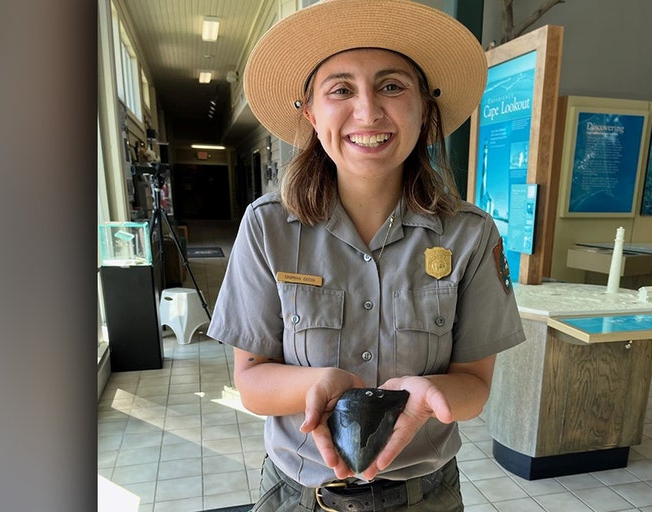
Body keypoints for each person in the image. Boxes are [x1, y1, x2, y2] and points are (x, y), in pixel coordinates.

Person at [207, 1, 526, 510]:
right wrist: (316, 383)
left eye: (392, 86)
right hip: (299, 494)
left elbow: (474, 385)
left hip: (426, 497)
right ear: (311, 113)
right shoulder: (267, 226)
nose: (369, 111)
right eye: (340, 89)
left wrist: (428, 397)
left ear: (424, 109)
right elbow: (251, 381)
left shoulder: (469, 235)